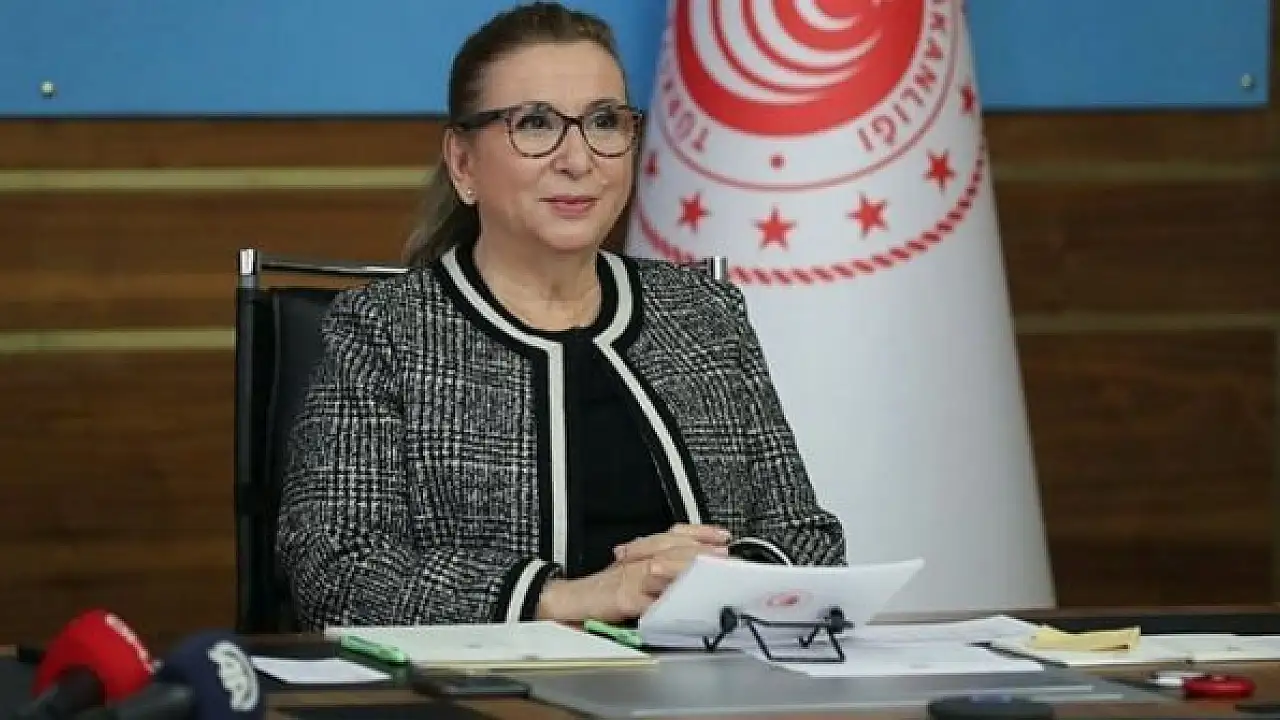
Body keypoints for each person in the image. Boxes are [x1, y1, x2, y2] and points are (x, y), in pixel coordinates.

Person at [276, 1, 846, 629]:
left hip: (706, 672)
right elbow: (337, 569)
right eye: (535, 124)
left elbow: (809, 539)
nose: (578, 160)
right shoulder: (384, 330)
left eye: (604, 122)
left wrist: (717, 576)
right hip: (495, 681)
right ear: (463, 163)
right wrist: (569, 598)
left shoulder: (704, 314)